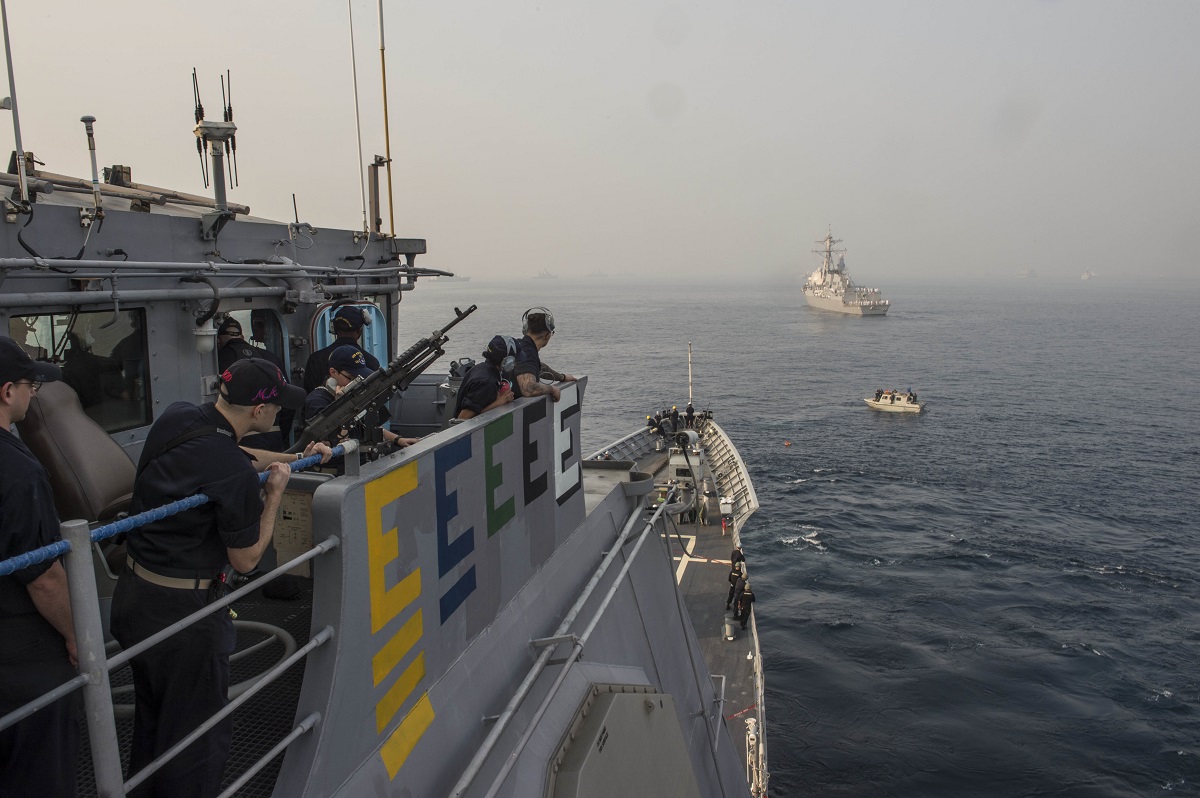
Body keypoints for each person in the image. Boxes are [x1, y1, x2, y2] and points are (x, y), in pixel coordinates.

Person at [109, 358, 329, 798]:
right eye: (277, 407)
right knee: (197, 738)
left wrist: (295, 458)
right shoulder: (227, 466)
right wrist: (275, 495)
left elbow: (240, 456)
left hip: (135, 599)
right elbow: (246, 559)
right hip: (185, 620)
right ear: (260, 411)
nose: (279, 413)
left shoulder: (181, 418)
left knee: (156, 723)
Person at [0, 337, 81, 798]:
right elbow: (44, 578)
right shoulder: (18, 471)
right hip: (19, 650)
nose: (34, 395)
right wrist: (77, 634)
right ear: (7, 391)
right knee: (38, 769)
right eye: (32, 385)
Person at [300, 345, 419, 449]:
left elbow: (364, 428)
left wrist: (398, 439)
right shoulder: (317, 401)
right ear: (333, 372)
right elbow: (333, 441)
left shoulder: (352, 397)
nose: (357, 382)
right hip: (336, 471)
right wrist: (340, 405)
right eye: (352, 378)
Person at [216, 316, 295, 449]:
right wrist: (281, 434)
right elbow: (288, 403)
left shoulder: (216, 361)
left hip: (235, 438)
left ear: (218, 340)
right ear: (241, 336)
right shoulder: (270, 358)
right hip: (272, 435)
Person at [302, 305, 380, 393]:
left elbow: (309, 394)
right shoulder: (372, 362)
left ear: (334, 329)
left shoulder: (315, 359)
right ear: (359, 331)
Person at [512, 308, 574, 402]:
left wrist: (562, 377)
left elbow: (537, 366)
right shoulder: (528, 353)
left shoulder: (520, 345)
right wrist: (552, 389)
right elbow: (528, 388)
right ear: (547, 335)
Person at [454, 335, 517, 420]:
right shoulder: (485, 382)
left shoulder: (482, 368)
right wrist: (499, 402)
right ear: (507, 360)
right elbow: (462, 419)